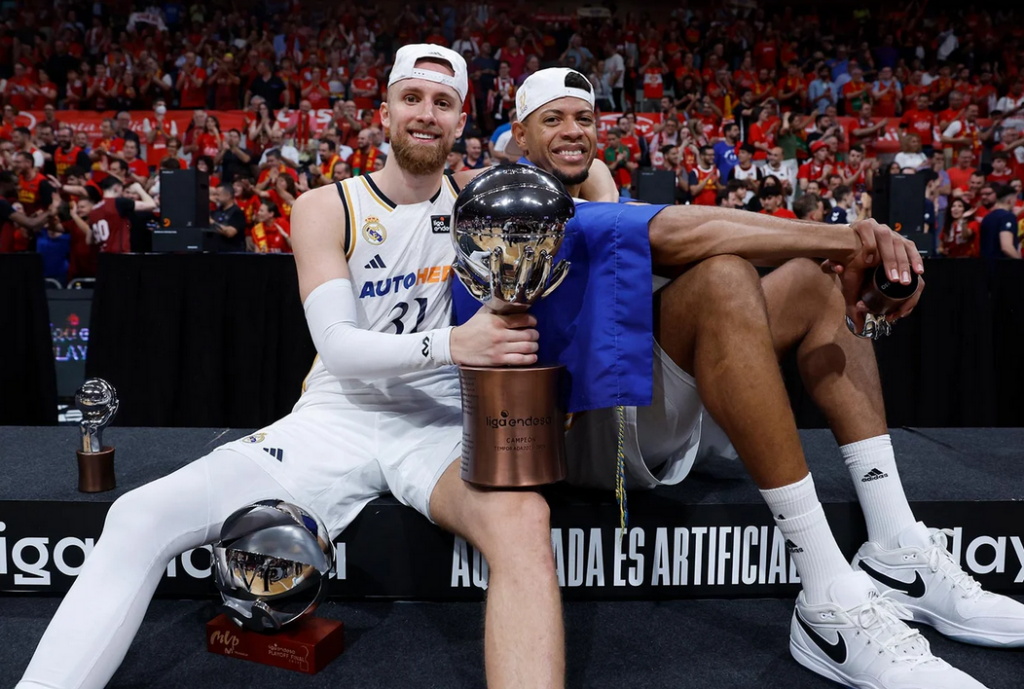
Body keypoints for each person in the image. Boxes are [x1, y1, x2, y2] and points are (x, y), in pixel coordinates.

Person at [14, 45, 565, 689]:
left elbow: (585, 202)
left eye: (442, 103)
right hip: (337, 418)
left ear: (462, 118)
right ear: (383, 110)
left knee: (525, 521)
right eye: (411, 98)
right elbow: (339, 348)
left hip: (440, 423)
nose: (425, 114)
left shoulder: (483, 200)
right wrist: (455, 344)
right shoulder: (326, 206)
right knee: (137, 517)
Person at [498, 66, 1022, 689]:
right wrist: (851, 240)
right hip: (581, 434)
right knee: (724, 276)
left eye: (583, 118)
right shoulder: (514, 202)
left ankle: (896, 545)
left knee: (809, 281)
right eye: (551, 119)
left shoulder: (591, 201)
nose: (572, 130)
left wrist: (833, 254)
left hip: (638, 399)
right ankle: (827, 597)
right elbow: (678, 231)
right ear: (519, 136)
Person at [70, 176, 156, 254]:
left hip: (103, 257)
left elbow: (89, 240)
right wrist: (139, 188)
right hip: (120, 256)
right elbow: (152, 205)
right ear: (116, 188)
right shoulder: (117, 202)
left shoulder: (94, 210)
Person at [979, 184, 1022, 259]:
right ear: (1010, 200)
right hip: (1002, 267)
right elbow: (1006, 247)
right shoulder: (1007, 217)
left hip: (985, 266)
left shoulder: (987, 217)